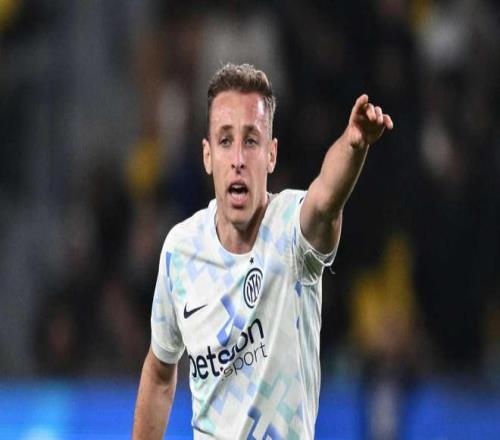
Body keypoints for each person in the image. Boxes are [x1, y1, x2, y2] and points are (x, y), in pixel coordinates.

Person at [132, 63, 393, 439]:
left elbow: (325, 199)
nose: (238, 158)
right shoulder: (180, 251)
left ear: (271, 155)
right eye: (225, 141)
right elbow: (159, 373)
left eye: (251, 141)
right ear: (207, 156)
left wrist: (354, 145)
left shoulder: (292, 231)